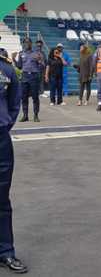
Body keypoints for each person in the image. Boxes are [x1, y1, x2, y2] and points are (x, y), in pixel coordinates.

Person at [0, 54, 28, 274]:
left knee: (1, 199)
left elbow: (14, 102)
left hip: (0, 140)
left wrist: (4, 124)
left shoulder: (6, 69)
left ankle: (6, 251)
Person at [15, 38, 44, 122]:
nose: (26, 44)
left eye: (28, 42)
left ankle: (36, 115)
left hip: (34, 76)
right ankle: (25, 116)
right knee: (24, 97)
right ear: (23, 44)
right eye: (25, 42)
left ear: (31, 43)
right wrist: (14, 59)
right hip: (24, 76)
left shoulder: (37, 53)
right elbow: (19, 66)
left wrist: (39, 60)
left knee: (35, 97)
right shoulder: (21, 54)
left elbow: (42, 66)